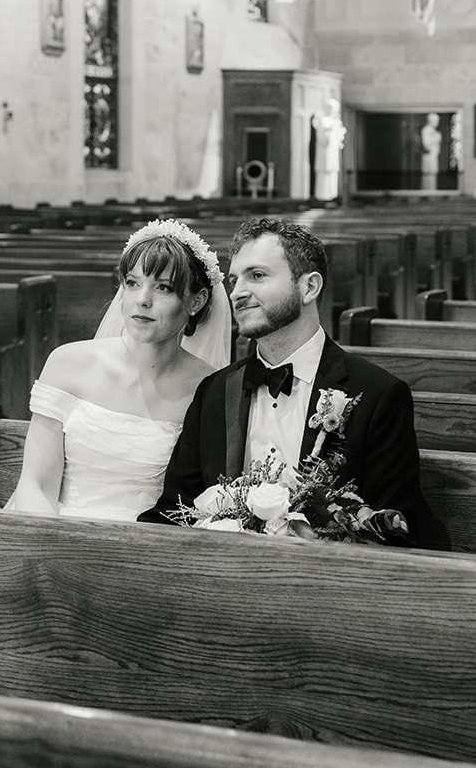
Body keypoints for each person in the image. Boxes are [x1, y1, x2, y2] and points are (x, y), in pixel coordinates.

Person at [139, 215, 450, 549]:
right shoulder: (215, 392)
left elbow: (392, 527)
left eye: (256, 276)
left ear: (309, 287)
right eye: (234, 280)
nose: (237, 293)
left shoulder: (376, 396)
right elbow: (175, 512)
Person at [4, 220, 231, 520]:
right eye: (133, 283)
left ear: (196, 300)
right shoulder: (67, 364)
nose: (142, 300)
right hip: (53, 531)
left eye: (162, 287)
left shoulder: (209, 388)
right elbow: (36, 484)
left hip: (147, 547)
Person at [420, 111, 441, 190]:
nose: (438, 122)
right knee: (428, 177)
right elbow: (426, 144)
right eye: (437, 120)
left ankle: (432, 192)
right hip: (428, 156)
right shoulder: (426, 130)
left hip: (433, 156)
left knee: (433, 176)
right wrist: (436, 138)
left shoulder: (433, 130)